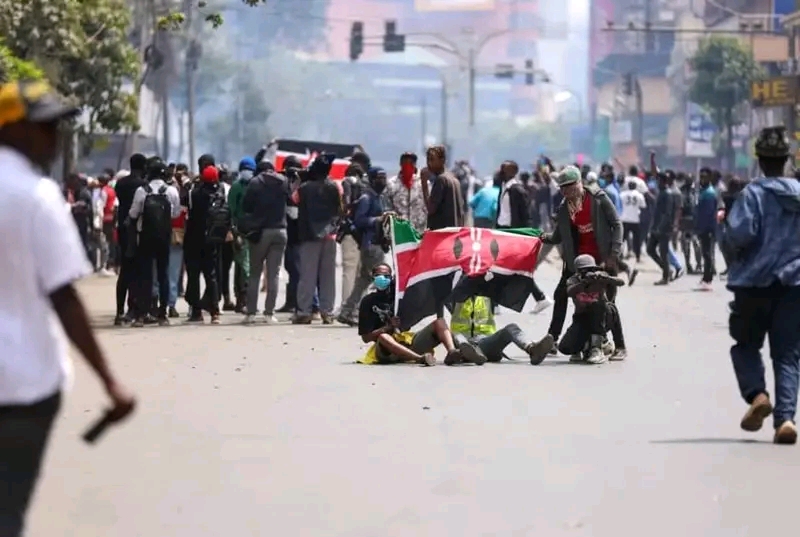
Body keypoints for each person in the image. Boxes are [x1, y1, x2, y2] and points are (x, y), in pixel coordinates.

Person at [0, 79, 135, 537]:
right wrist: (110, 381)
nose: (55, 138)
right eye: (45, 127)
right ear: (13, 130)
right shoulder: (35, 195)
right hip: (23, 386)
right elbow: (63, 296)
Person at [720, 126, 800, 445]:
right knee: (788, 354)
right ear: (786, 159)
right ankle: (786, 419)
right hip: (794, 284)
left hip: (753, 285)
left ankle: (757, 395)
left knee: (746, 345)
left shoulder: (752, 194)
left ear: (760, 160)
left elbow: (741, 235)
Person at [528, 165, 624, 362]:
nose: (566, 192)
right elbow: (557, 235)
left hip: (601, 259)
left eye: (570, 187)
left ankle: (614, 343)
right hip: (578, 262)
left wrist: (613, 255)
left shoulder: (598, 198)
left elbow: (617, 224)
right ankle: (553, 338)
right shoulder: (564, 208)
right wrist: (539, 237)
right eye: (563, 188)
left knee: (604, 302)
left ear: (580, 183)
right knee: (562, 293)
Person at [357, 264, 477, 366]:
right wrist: (387, 328)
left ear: (392, 277)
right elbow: (366, 338)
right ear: (373, 278)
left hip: (406, 341)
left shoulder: (400, 293)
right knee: (384, 337)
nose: (383, 278)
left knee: (439, 322)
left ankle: (452, 352)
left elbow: (417, 280)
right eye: (378, 276)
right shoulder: (368, 302)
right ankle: (420, 358)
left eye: (387, 276)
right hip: (386, 350)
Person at [127, 157, 181, 326]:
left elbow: (133, 214)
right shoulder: (171, 191)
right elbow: (175, 214)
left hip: (146, 237)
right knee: (163, 274)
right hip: (164, 237)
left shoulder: (142, 191)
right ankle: (162, 314)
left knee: (146, 275)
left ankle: (143, 314)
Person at [495, 160, 552, 314]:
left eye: (503, 169)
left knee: (505, 267)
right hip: (503, 231)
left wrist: (524, 237)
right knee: (510, 269)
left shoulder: (517, 190)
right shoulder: (504, 188)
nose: (500, 172)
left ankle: (495, 302)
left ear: (512, 172)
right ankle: (540, 297)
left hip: (514, 233)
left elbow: (525, 216)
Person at [337, 167, 390, 326]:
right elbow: (360, 220)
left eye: (384, 177)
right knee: (383, 280)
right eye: (379, 178)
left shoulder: (380, 197)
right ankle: (381, 315)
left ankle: (346, 312)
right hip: (370, 245)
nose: (382, 181)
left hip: (377, 244)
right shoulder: (366, 198)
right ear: (372, 179)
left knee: (363, 281)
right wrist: (378, 220)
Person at [293, 153, 341, 324]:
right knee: (328, 276)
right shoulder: (334, 186)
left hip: (309, 235)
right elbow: (339, 208)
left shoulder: (304, 188)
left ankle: (304, 311)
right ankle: (327, 312)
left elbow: (293, 199)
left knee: (307, 275)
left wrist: (300, 179)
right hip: (330, 235)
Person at [240, 161, 289, 324]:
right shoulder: (283, 181)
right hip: (281, 230)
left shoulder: (255, 183)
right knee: (273, 274)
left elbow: (246, 206)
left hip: (260, 232)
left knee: (255, 273)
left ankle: (251, 313)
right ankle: (269, 313)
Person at [558, 255, 626, 364]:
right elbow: (569, 291)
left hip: (602, 317)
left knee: (604, 306)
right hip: (582, 319)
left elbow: (621, 282)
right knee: (565, 347)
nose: (588, 272)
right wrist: (583, 283)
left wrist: (606, 278)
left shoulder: (599, 277)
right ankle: (586, 346)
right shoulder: (573, 280)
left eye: (591, 269)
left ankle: (599, 348)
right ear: (578, 271)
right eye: (584, 270)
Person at [184, 156, 224, 324]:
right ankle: (215, 311)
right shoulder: (221, 194)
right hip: (212, 240)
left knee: (193, 276)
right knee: (211, 275)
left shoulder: (193, 193)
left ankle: (196, 312)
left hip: (194, 238)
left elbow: (185, 208)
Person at [448, 294, 542, 365]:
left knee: (511, 328)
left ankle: (532, 349)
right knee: (456, 335)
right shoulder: (455, 294)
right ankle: (469, 354)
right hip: (464, 342)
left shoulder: (488, 293)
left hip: (486, 343)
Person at [113, 156, 147, 324]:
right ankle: (133, 309)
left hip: (123, 230)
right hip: (136, 230)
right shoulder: (142, 185)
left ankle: (119, 312)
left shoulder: (121, 183)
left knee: (124, 272)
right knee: (137, 271)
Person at [421, 144, 464, 230]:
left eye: (432, 159)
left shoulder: (441, 180)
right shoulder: (454, 179)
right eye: (428, 159)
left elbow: (430, 208)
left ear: (442, 160)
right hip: (454, 233)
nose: (429, 163)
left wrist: (424, 183)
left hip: (442, 234)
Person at [646, 171, 678, 285]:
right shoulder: (661, 192)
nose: (657, 182)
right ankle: (667, 270)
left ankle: (665, 277)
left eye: (659, 180)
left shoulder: (668, 194)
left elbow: (667, 214)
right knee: (650, 249)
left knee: (663, 252)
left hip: (663, 229)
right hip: (656, 228)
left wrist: (660, 227)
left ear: (664, 182)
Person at [383, 151, 427, 234]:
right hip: (399, 232)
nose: (408, 165)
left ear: (415, 164)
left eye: (411, 163)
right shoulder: (391, 184)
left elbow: (429, 206)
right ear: (400, 164)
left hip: (419, 231)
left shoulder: (423, 183)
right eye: (405, 162)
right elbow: (386, 207)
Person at [693, 169, 718, 291]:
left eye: (704, 177)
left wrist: (703, 229)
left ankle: (708, 279)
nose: (702, 179)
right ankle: (705, 277)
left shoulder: (709, 193)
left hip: (706, 228)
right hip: (703, 227)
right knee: (705, 253)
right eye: (701, 176)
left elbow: (708, 214)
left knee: (707, 254)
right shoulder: (704, 191)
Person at [619, 180, 646, 263]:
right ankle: (638, 257)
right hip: (635, 220)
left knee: (621, 239)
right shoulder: (639, 195)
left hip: (624, 219)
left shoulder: (622, 194)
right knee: (636, 240)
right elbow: (643, 206)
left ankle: (620, 256)